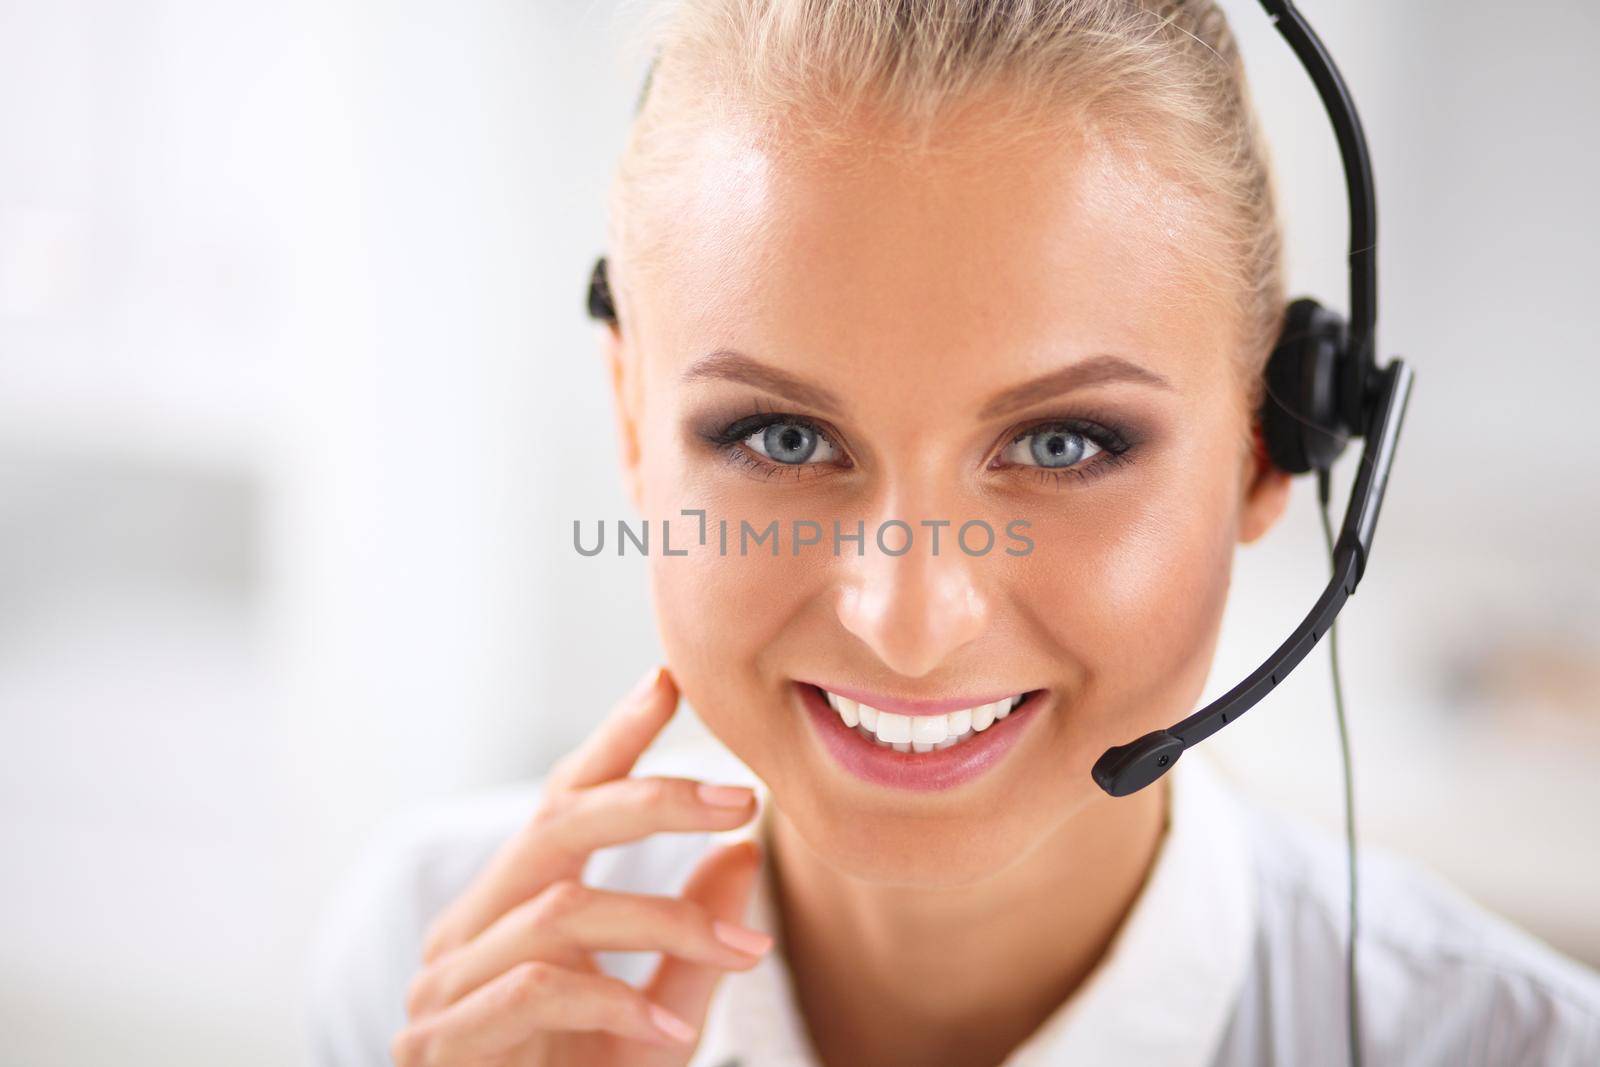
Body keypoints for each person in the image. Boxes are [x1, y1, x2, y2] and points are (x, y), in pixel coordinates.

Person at [306, 2, 1600, 1064]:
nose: (910, 623)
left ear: (1274, 446)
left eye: (1062, 445)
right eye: (782, 439)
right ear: (634, 423)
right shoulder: (442, 965)